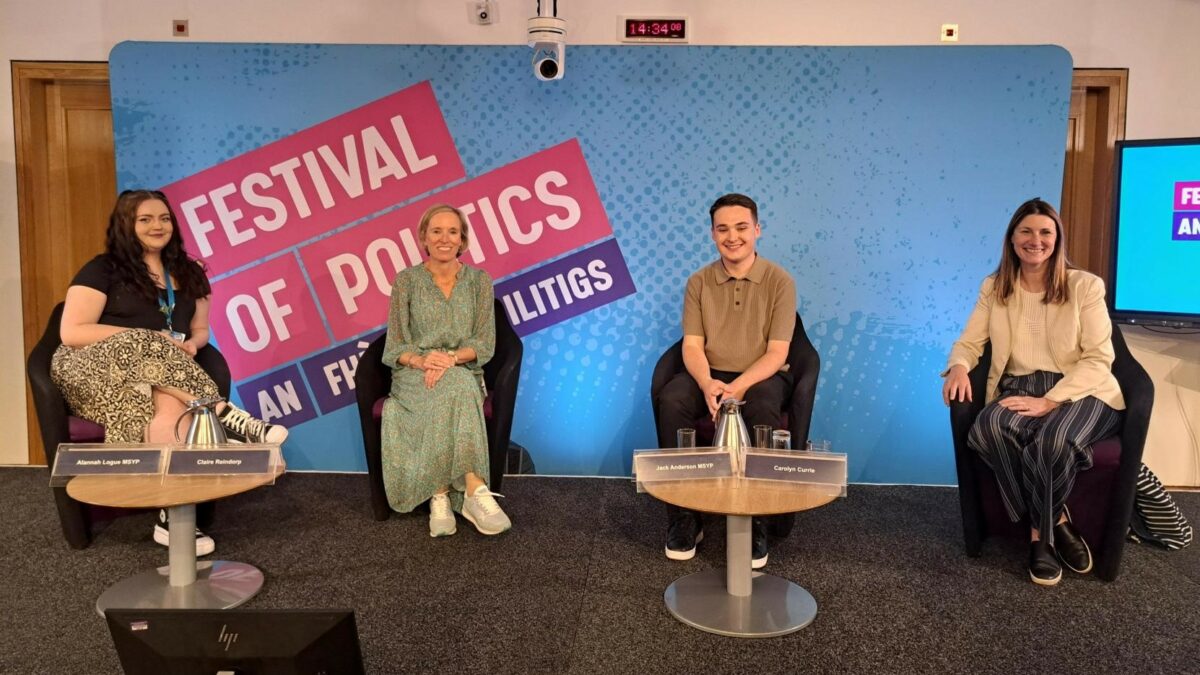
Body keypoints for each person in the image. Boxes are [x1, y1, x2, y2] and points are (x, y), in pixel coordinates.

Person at [52, 189, 288, 556]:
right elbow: (72, 332)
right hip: (93, 369)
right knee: (146, 343)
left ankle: (173, 518)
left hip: (158, 376)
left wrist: (192, 344)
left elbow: (200, 330)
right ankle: (224, 414)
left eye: (164, 218)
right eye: (144, 219)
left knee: (170, 410)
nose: (157, 226)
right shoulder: (102, 269)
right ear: (126, 225)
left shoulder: (189, 273)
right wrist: (149, 338)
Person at [943, 197, 1124, 586]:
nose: (1035, 239)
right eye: (1025, 231)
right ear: (1011, 239)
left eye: (1045, 232)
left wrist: (1050, 401)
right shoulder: (995, 287)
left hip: (1081, 390)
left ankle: (1039, 540)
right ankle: (1057, 519)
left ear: (1057, 239)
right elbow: (970, 342)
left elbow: (1098, 358)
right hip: (1021, 385)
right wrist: (959, 365)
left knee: (1052, 443)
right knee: (987, 429)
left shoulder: (1085, 286)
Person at [653, 193, 797, 568]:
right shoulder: (698, 282)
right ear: (713, 234)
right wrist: (707, 384)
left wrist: (739, 387)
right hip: (709, 373)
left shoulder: (780, 281)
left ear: (757, 230)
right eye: (723, 229)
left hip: (761, 375)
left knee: (764, 407)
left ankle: (756, 520)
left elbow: (778, 353)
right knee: (671, 400)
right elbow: (692, 345)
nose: (732, 236)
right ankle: (684, 516)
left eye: (741, 227)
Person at [381, 203, 511, 537]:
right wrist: (423, 360)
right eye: (436, 231)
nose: (444, 238)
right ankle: (465, 492)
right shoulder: (407, 281)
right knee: (455, 385)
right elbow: (394, 345)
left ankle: (454, 493)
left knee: (456, 383)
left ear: (462, 239)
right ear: (424, 237)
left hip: (461, 368)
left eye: (452, 231)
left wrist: (450, 359)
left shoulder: (480, 281)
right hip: (413, 373)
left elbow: (484, 344)